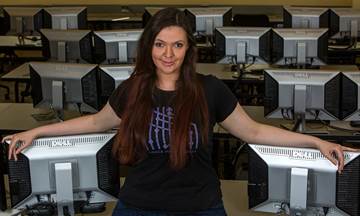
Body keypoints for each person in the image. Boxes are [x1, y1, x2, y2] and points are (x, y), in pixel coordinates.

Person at [2, 8, 358, 216]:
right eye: (160, 44)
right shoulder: (132, 89)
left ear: (189, 50)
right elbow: (95, 122)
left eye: (177, 45)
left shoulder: (210, 90)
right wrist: (34, 133)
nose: (167, 54)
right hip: (139, 204)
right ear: (149, 47)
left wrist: (314, 141)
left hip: (200, 205)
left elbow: (255, 132)